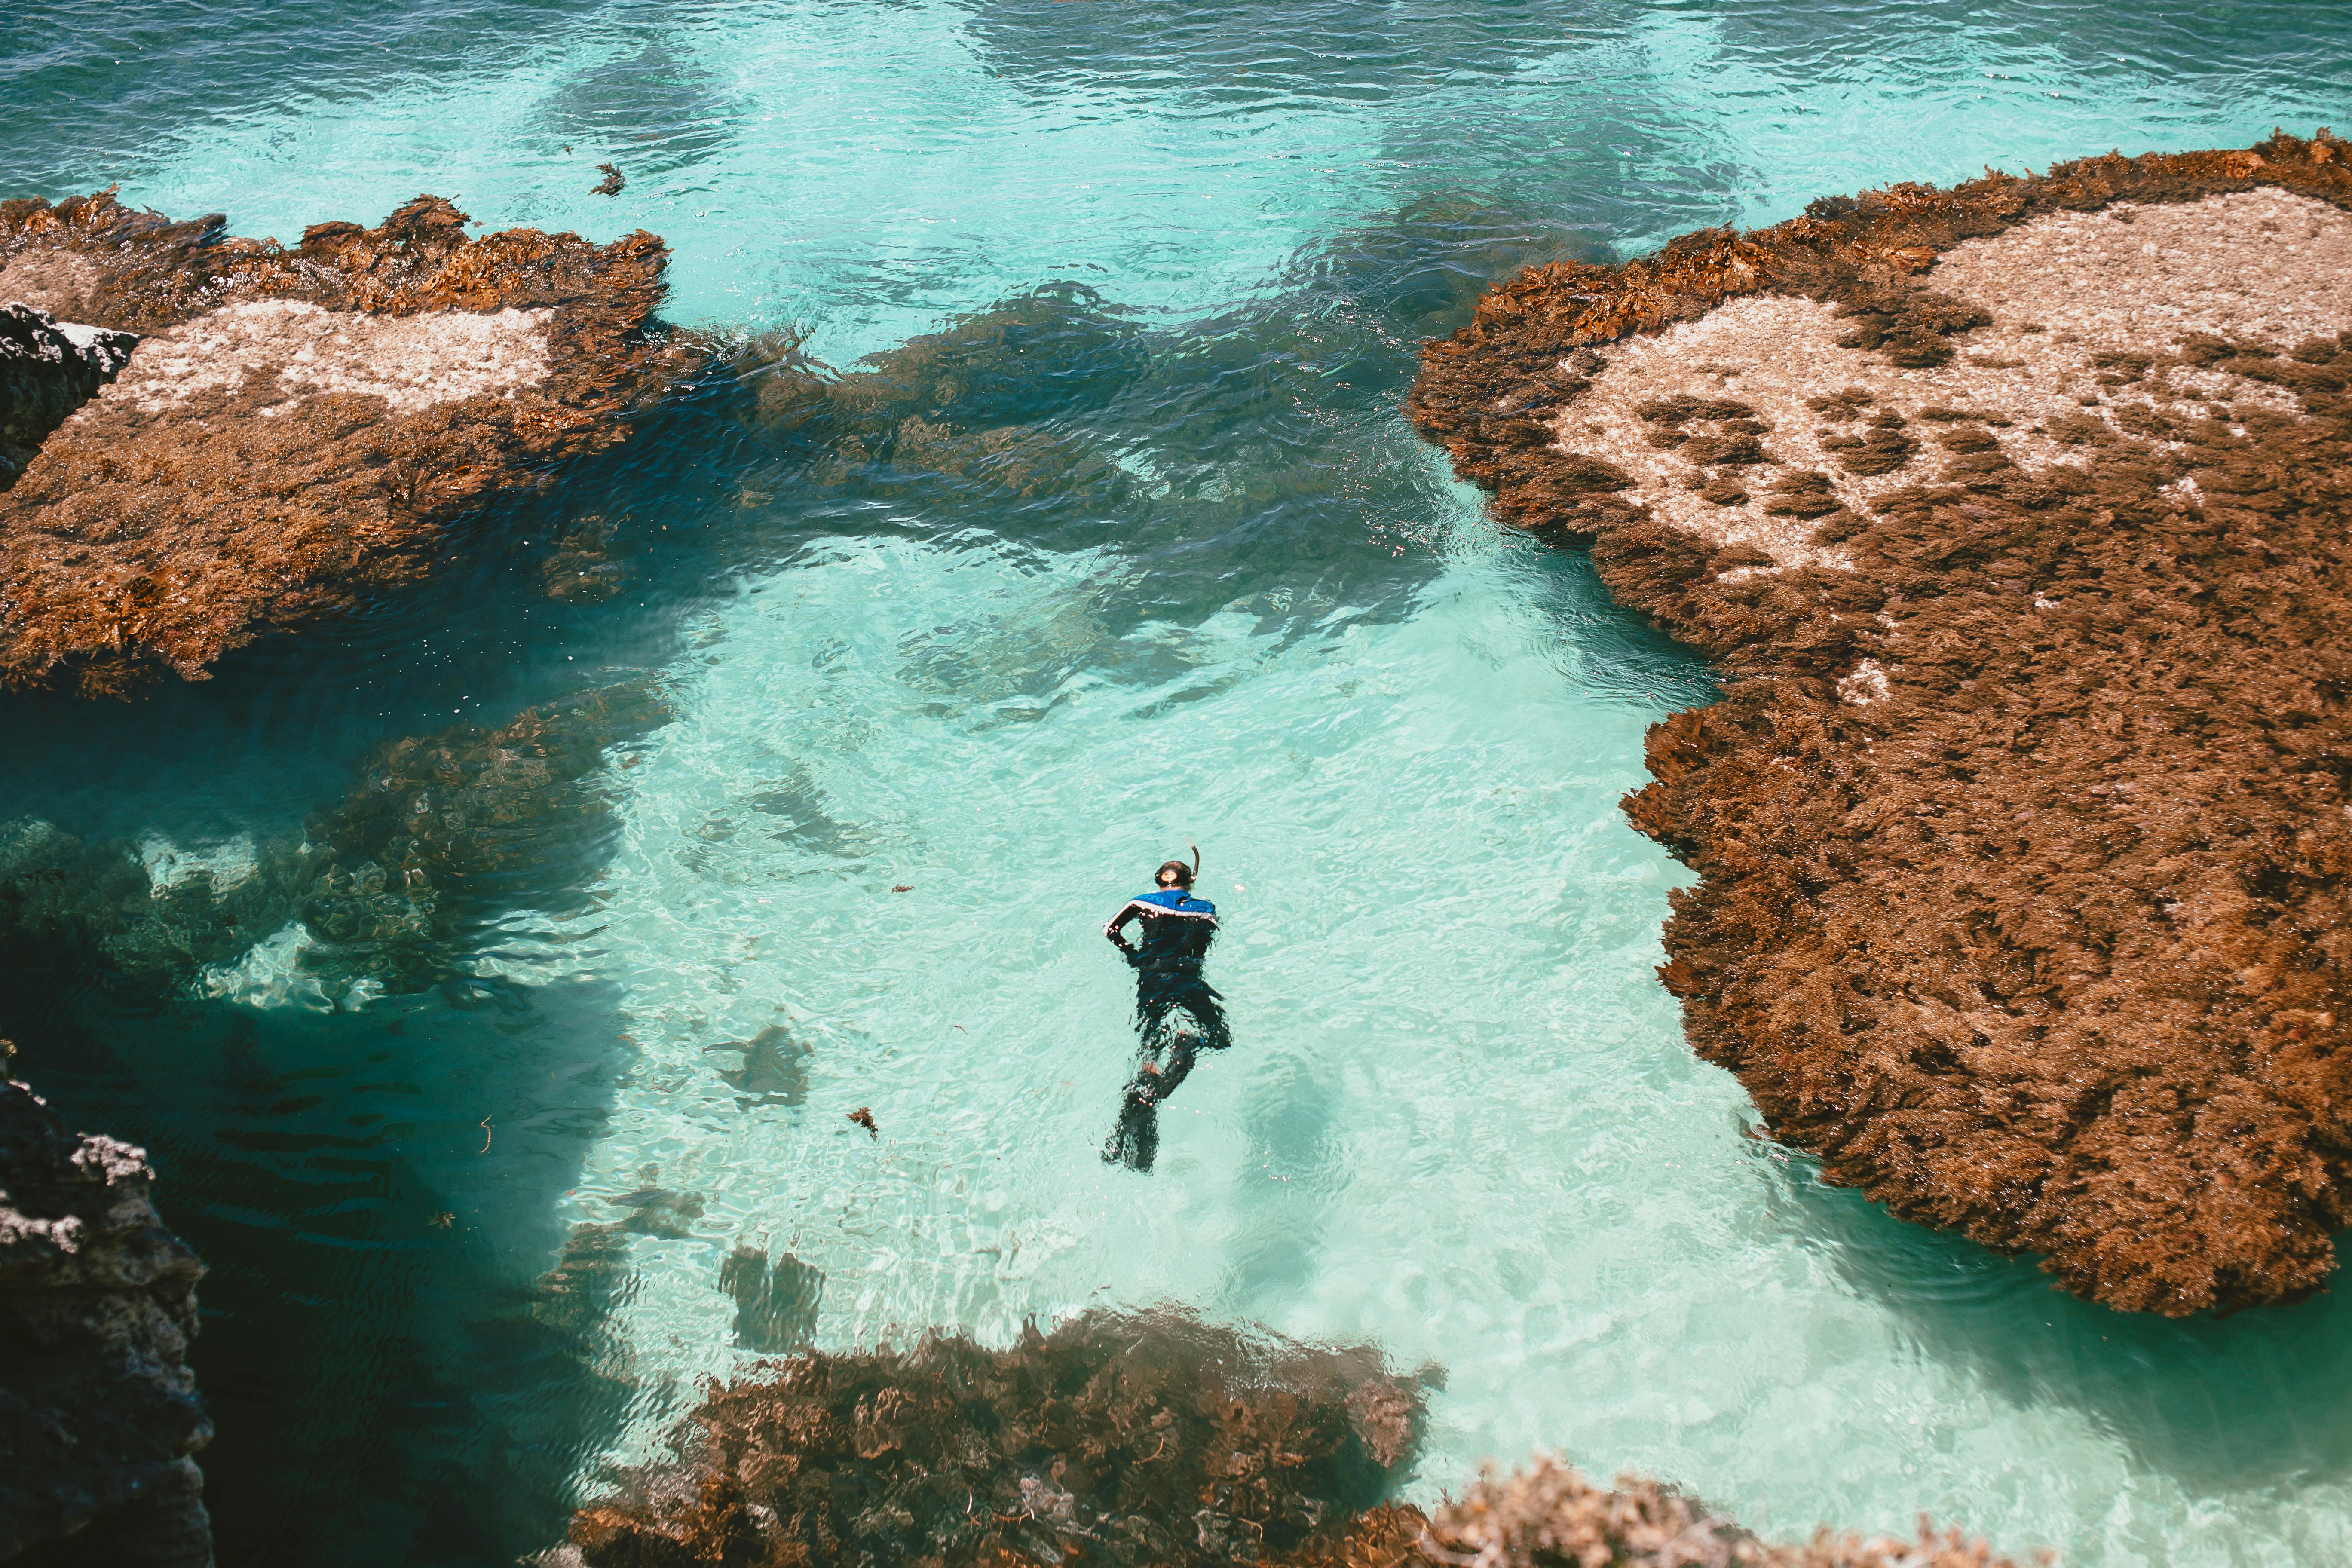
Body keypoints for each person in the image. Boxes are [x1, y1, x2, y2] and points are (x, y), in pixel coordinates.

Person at [1100, 847, 1228, 1171]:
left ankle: (1136, 1105)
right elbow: (1205, 941)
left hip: (1152, 980)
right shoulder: (1204, 909)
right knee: (1218, 1037)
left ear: (1159, 882)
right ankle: (1186, 1046)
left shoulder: (1141, 902)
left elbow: (1110, 931)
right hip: (1186, 980)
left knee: (1149, 1049)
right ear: (1190, 883)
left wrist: (1134, 956)